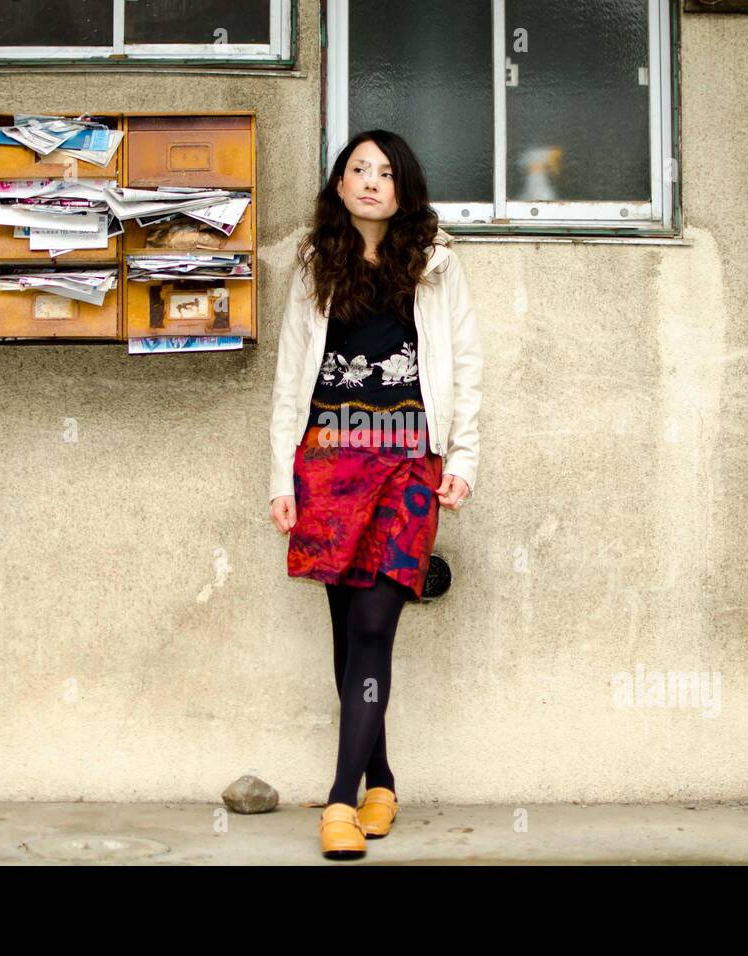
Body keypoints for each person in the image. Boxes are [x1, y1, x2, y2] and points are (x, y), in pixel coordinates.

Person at [267, 130, 482, 859]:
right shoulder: (313, 264)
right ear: (339, 184)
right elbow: (291, 374)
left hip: (406, 464)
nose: (370, 182)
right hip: (326, 461)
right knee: (344, 631)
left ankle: (339, 800)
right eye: (358, 169)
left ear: (404, 188)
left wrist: (464, 459)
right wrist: (279, 477)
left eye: (385, 172)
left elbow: (466, 363)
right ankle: (381, 778)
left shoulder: (437, 263)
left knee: (371, 625)